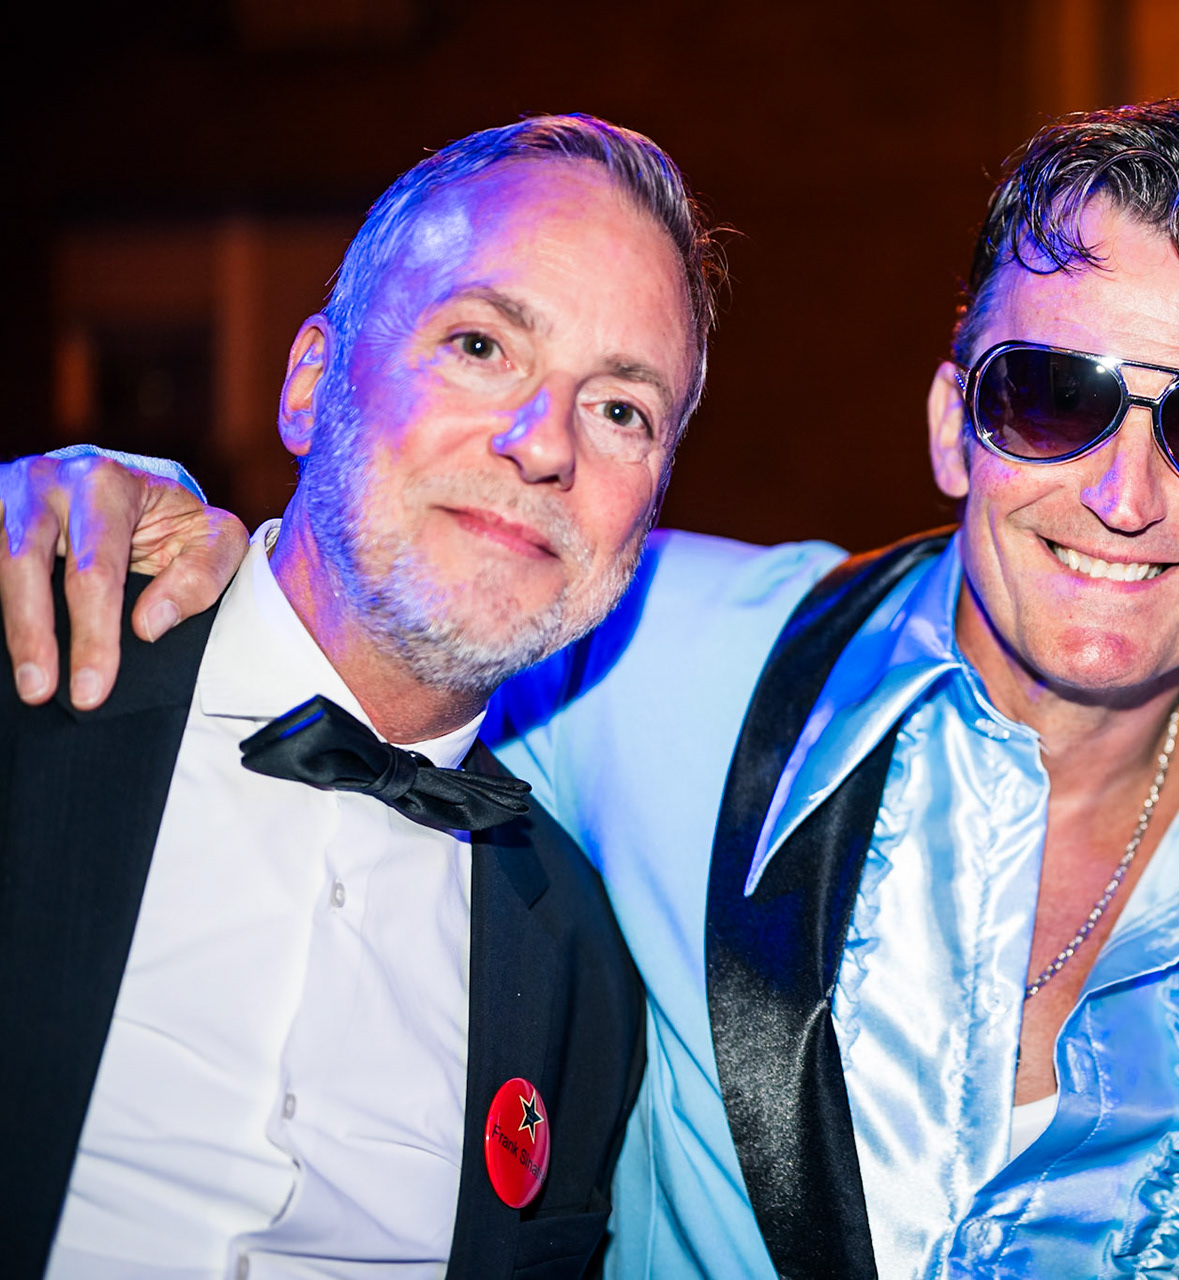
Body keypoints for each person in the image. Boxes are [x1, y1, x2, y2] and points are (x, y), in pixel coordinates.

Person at [1, 100, 1179, 1278]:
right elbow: (418, 593)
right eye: (1051, 398)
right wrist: (131, 517)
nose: (1125, 496)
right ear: (952, 425)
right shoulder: (658, 644)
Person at [0, 114, 723, 1276]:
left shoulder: (586, 975)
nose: (544, 443)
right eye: (482, 344)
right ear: (310, 381)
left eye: (621, 409)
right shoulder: (30, 658)